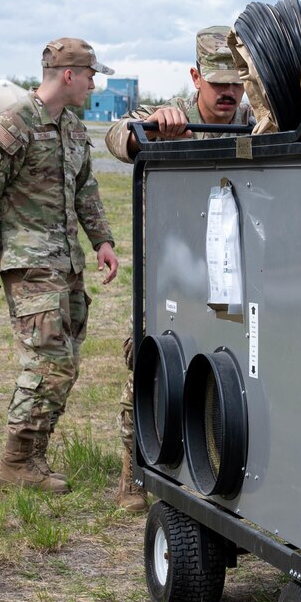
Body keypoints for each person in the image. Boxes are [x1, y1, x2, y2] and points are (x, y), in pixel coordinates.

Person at [0, 37, 120, 493]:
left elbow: (85, 189)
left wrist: (102, 241)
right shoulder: (12, 126)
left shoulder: (72, 127)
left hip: (65, 262)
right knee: (48, 364)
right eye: (90, 75)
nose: (93, 84)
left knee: (65, 364)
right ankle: (15, 463)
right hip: (28, 263)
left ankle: (33, 458)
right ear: (69, 75)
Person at [103, 26, 252, 507]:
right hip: (173, 268)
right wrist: (150, 130)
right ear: (195, 77)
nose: (229, 93)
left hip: (230, 267)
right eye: (218, 83)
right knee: (149, 364)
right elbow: (116, 137)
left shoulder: (257, 119)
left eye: (236, 83)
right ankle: (133, 468)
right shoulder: (174, 114)